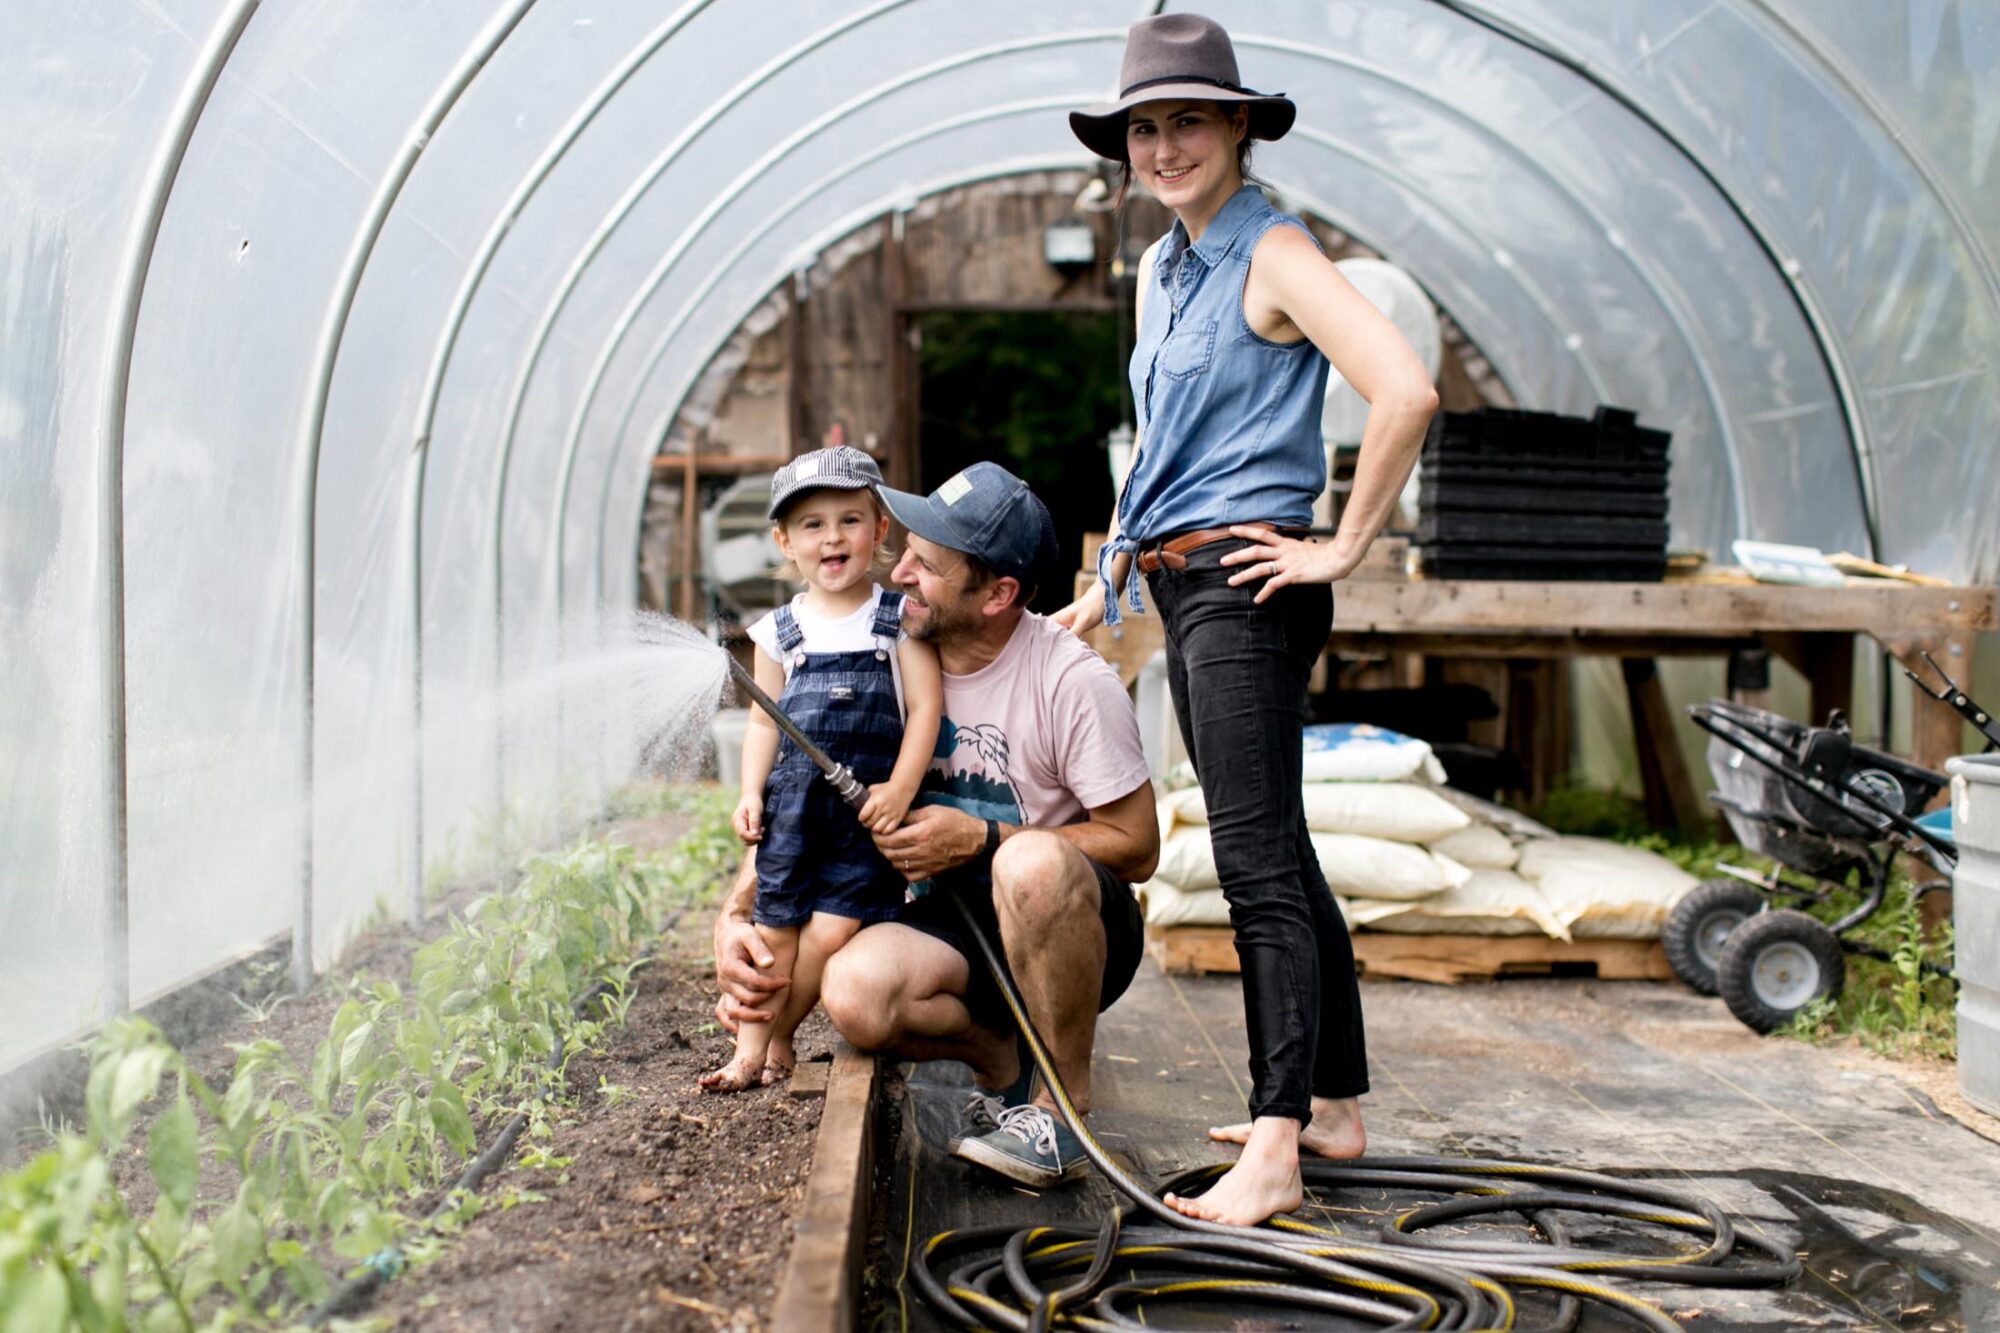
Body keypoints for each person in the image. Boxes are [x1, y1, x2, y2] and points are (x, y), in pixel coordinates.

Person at [1051, 13, 1439, 1225]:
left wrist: (1341, 542)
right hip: (1179, 575)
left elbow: (1405, 388)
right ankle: (1327, 1102)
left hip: (1246, 581)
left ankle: (1272, 1147)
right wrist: (1106, 573)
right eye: (1144, 127)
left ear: (1235, 127)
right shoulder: (1168, 266)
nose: (1163, 145)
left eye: (1187, 121)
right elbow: (1160, 443)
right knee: (1276, 839)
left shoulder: (1272, 250)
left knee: (1252, 857)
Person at [713, 462, 1159, 1186]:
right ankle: (1005, 1061)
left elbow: (1138, 846)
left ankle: (1062, 1112)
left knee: (1031, 865)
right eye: (907, 550)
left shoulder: (1071, 682)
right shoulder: (881, 652)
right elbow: (801, 792)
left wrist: (983, 840)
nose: (902, 572)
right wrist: (737, 909)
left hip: (1062, 927)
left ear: (998, 594)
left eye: (927, 563)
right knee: (854, 994)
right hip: (949, 925)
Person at [700, 445, 943, 1093]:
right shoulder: (779, 630)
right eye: (811, 524)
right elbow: (762, 720)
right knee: (775, 925)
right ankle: (749, 1050)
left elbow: (924, 710)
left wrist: (901, 787)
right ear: (783, 541)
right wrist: (750, 792)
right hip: (794, 809)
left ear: (880, 529)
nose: (832, 536)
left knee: (831, 929)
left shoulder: (896, 620)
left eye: (849, 519)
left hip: (864, 816)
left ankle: (780, 1032)